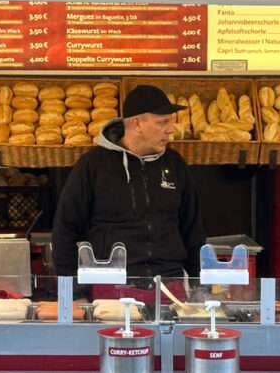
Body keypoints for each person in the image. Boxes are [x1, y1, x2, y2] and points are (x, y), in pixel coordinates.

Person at [52, 84, 205, 281]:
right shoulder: (93, 164)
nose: (170, 130)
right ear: (136, 123)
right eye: (162, 122)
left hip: (169, 283)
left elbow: (193, 229)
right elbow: (65, 229)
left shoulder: (175, 164)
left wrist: (199, 285)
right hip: (110, 285)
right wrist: (72, 291)